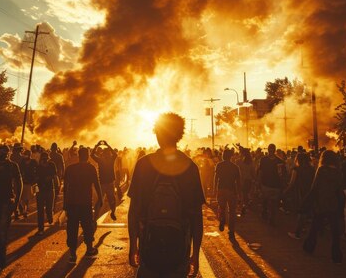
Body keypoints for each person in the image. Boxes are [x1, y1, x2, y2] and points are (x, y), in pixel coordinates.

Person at [128, 112, 205, 278]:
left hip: (149, 249)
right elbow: (197, 217)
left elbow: (133, 210)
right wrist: (196, 255)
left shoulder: (143, 165)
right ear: (179, 135)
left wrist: (133, 246)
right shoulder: (190, 167)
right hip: (178, 252)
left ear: (157, 134)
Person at [301, 150, 344, 264]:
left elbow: (314, 187)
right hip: (333, 203)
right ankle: (336, 255)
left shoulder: (321, 170)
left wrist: (307, 201)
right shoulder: (338, 172)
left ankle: (309, 246)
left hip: (321, 203)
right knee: (335, 231)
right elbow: (339, 190)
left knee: (315, 227)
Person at [0, 145, 23, 277]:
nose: (3, 153)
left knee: (1, 233)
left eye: (5, 151)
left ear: (8, 153)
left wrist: (17, 201)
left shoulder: (12, 166)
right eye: (1, 151)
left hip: (6, 202)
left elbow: (19, 183)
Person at [64, 146, 102, 263]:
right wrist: (100, 198)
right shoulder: (91, 168)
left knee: (72, 227)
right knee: (87, 226)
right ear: (88, 156)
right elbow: (96, 184)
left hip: (72, 203)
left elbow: (65, 187)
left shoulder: (70, 169)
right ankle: (89, 249)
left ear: (79, 155)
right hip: (85, 202)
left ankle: (72, 254)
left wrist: (65, 203)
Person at [285, 152, 315, 240]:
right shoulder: (312, 169)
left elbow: (292, 182)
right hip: (309, 192)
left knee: (300, 213)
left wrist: (285, 191)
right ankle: (304, 228)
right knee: (306, 212)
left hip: (300, 193)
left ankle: (297, 233)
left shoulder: (296, 169)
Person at [214, 148, 241, 241]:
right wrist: (239, 194)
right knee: (232, 212)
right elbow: (238, 182)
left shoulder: (219, 165)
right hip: (232, 191)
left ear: (223, 156)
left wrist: (214, 190)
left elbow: (216, 178)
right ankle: (231, 231)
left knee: (221, 207)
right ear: (231, 157)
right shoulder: (235, 167)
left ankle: (222, 219)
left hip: (221, 189)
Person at [91, 140, 118, 220]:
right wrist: (107, 145)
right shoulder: (111, 159)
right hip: (109, 183)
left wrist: (97, 145)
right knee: (112, 200)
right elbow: (115, 154)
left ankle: (95, 217)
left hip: (103, 183)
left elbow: (92, 155)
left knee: (100, 200)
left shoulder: (101, 160)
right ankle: (113, 212)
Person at [258, 144, 284, 225]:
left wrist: (259, 182)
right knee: (273, 203)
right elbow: (282, 175)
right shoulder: (279, 161)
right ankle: (271, 217)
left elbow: (260, 172)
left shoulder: (263, 159)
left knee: (266, 201)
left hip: (267, 184)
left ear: (268, 150)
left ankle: (266, 214)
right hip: (275, 185)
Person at [36, 151, 59, 235]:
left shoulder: (52, 165)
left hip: (50, 189)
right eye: (43, 159)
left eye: (46, 159)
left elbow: (55, 176)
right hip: (41, 190)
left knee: (49, 208)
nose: (45, 160)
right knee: (40, 210)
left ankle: (50, 216)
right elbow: (36, 177)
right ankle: (40, 228)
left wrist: (57, 186)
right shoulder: (38, 167)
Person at [18, 150, 37, 219]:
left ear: (30, 155)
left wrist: (35, 179)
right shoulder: (22, 162)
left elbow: (37, 170)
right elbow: (19, 171)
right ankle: (24, 209)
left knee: (27, 198)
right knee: (22, 197)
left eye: (27, 154)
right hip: (23, 181)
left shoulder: (33, 162)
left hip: (30, 182)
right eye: (25, 154)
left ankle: (24, 209)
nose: (26, 156)